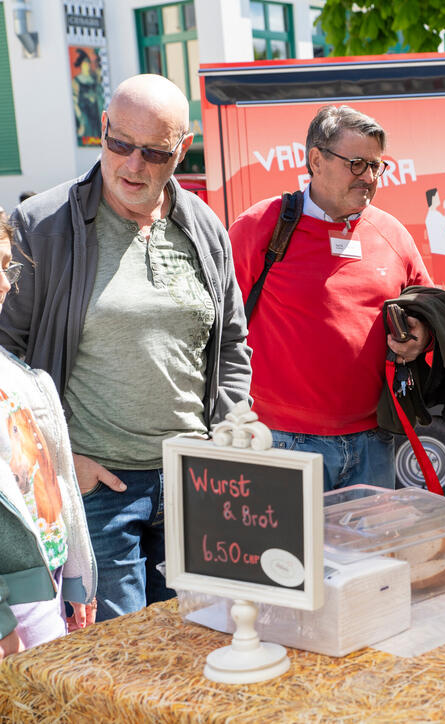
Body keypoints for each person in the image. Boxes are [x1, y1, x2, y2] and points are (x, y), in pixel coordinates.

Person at [0, 75, 252, 621]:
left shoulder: (204, 226)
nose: (133, 166)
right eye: (120, 145)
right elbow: (5, 367)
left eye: (155, 152)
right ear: (102, 132)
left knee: (200, 640)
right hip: (100, 490)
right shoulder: (42, 225)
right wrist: (69, 464)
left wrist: (227, 436)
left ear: (182, 151)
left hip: (198, 483)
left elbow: (232, 342)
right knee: (123, 658)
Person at [230, 105, 432, 491]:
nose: (369, 177)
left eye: (376, 166)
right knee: (289, 554)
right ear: (316, 160)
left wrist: (422, 337)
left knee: (371, 554)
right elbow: (213, 325)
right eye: (357, 164)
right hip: (281, 442)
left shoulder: (392, 233)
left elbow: (428, 308)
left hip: (375, 441)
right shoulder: (261, 226)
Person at [0, 218, 97, 659]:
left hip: (45, 579)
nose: (5, 284)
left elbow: (45, 472)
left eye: (8, 267)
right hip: (12, 600)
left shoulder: (10, 368)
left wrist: (75, 575)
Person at [424, 188, 445, 293]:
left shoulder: (431, 215)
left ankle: (441, 307)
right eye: (438, 196)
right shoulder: (435, 215)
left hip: (438, 254)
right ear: (433, 198)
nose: (439, 198)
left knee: (439, 283)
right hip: (443, 254)